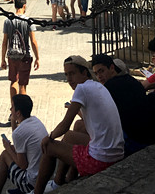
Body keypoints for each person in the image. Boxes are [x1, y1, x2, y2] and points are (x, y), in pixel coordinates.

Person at [33, 55, 125, 192]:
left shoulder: (81, 89)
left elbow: (64, 125)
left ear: (84, 73)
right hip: (117, 152)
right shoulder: (98, 86)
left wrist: (49, 136)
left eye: (72, 73)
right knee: (70, 136)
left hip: (101, 159)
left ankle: (37, 191)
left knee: (49, 146)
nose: (69, 79)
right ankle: (60, 181)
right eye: (66, 75)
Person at [91, 53, 155, 154]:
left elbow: (98, 120)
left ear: (112, 68)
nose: (99, 76)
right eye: (96, 73)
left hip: (131, 140)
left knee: (79, 128)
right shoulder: (133, 81)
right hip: (147, 135)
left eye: (101, 71)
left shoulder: (109, 88)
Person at [0, 94, 48, 194]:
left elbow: (22, 165)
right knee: (13, 149)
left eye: (12, 107)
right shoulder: (35, 120)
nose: (10, 109)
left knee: (5, 155)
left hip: (31, 182)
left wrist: (8, 148)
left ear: (18, 113)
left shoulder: (19, 133)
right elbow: (19, 144)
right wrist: (13, 121)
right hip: (44, 174)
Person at [1, 0, 40, 101]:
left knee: (13, 81)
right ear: (24, 6)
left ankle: (13, 106)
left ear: (15, 6)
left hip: (12, 55)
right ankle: (21, 108)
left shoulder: (7, 21)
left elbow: (4, 42)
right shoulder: (28, 21)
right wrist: (37, 58)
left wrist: (3, 59)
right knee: (22, 84)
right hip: (25, 56)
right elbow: (33, 41)